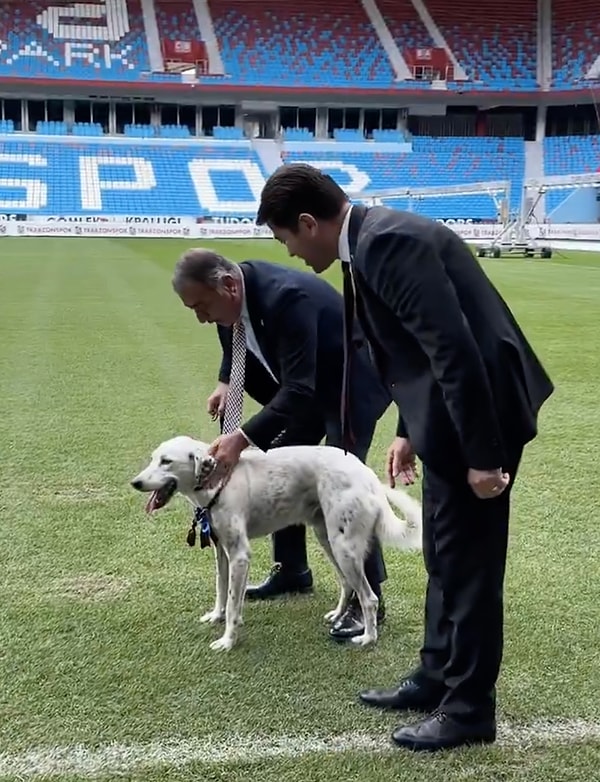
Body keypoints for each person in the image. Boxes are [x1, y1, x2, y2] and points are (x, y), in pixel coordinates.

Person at [255, 164, 554, 752]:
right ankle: (435, 676)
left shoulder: (386, 243)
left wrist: (484, 457)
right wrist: (409, 429)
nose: (288, 252)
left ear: (308, 223)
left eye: (284, 238)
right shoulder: (371, 240)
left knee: (467, 570)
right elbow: (416, 352)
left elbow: (454, 350)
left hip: (481, 422)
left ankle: (468, 711)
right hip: (448, 420)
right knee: (443, 555)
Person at [171, 248, 392, 642]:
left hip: (348, 388)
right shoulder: (231, 299)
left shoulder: (287, 297)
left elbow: (299, 388)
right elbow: (234, 340)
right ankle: (292, 571)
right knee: (280, 468)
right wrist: (226, 381)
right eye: (192, 310)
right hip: (303, 389)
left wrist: (241, 438)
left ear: (228, 285)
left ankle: (365, 602)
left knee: (341, 487)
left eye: (202, 306)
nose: (202, 317)